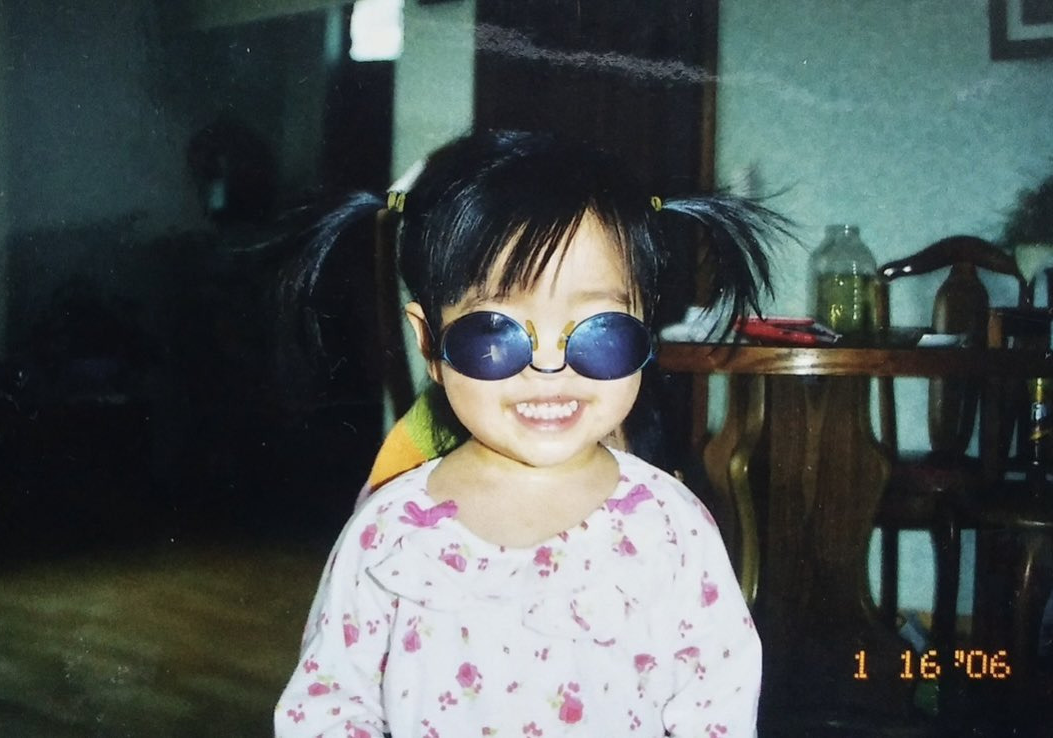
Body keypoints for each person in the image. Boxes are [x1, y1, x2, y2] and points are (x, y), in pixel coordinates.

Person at [274, 130, 788, 737]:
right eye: (495, 331)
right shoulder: (389, 535)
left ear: (646, 328)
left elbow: (717, 707)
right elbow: (328, 706)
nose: (549, 367)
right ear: (430, 344)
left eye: (598, 330)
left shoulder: (672, 528)